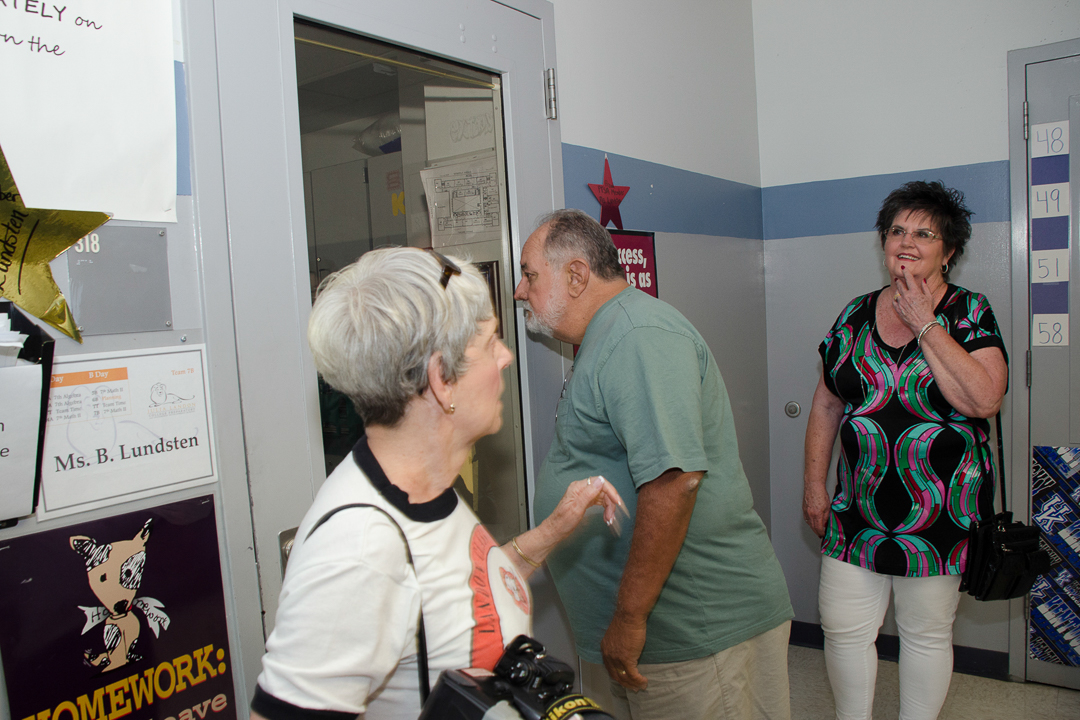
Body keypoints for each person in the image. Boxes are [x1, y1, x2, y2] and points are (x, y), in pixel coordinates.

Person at [250, 247, 626, 720]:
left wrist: (555, 527)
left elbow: (452, 594)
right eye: (489, 342)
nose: (506, 357)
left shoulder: (424, 489)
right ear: (441, 380)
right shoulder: (358, 547)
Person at [516, 209, 794, 720]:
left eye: (529, 275)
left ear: (576, 275)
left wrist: (629, 617)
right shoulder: (609, 335)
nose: (519, 291)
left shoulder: (637, 335)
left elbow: (674, 482)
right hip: (662, 634)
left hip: (693, 630)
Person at [802, 181, 1008, 720]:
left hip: (940, 513)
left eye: (924, 234)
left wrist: (925, 324)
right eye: (897, 231)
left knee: (924, 634)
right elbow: (826, 404)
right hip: (857, 510)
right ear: (883, 242)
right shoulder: (854, 313)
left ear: (949, 251)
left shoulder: (969, 312)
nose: (907, 242)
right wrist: (814, 485)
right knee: (843, 629)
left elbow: (985, 399)